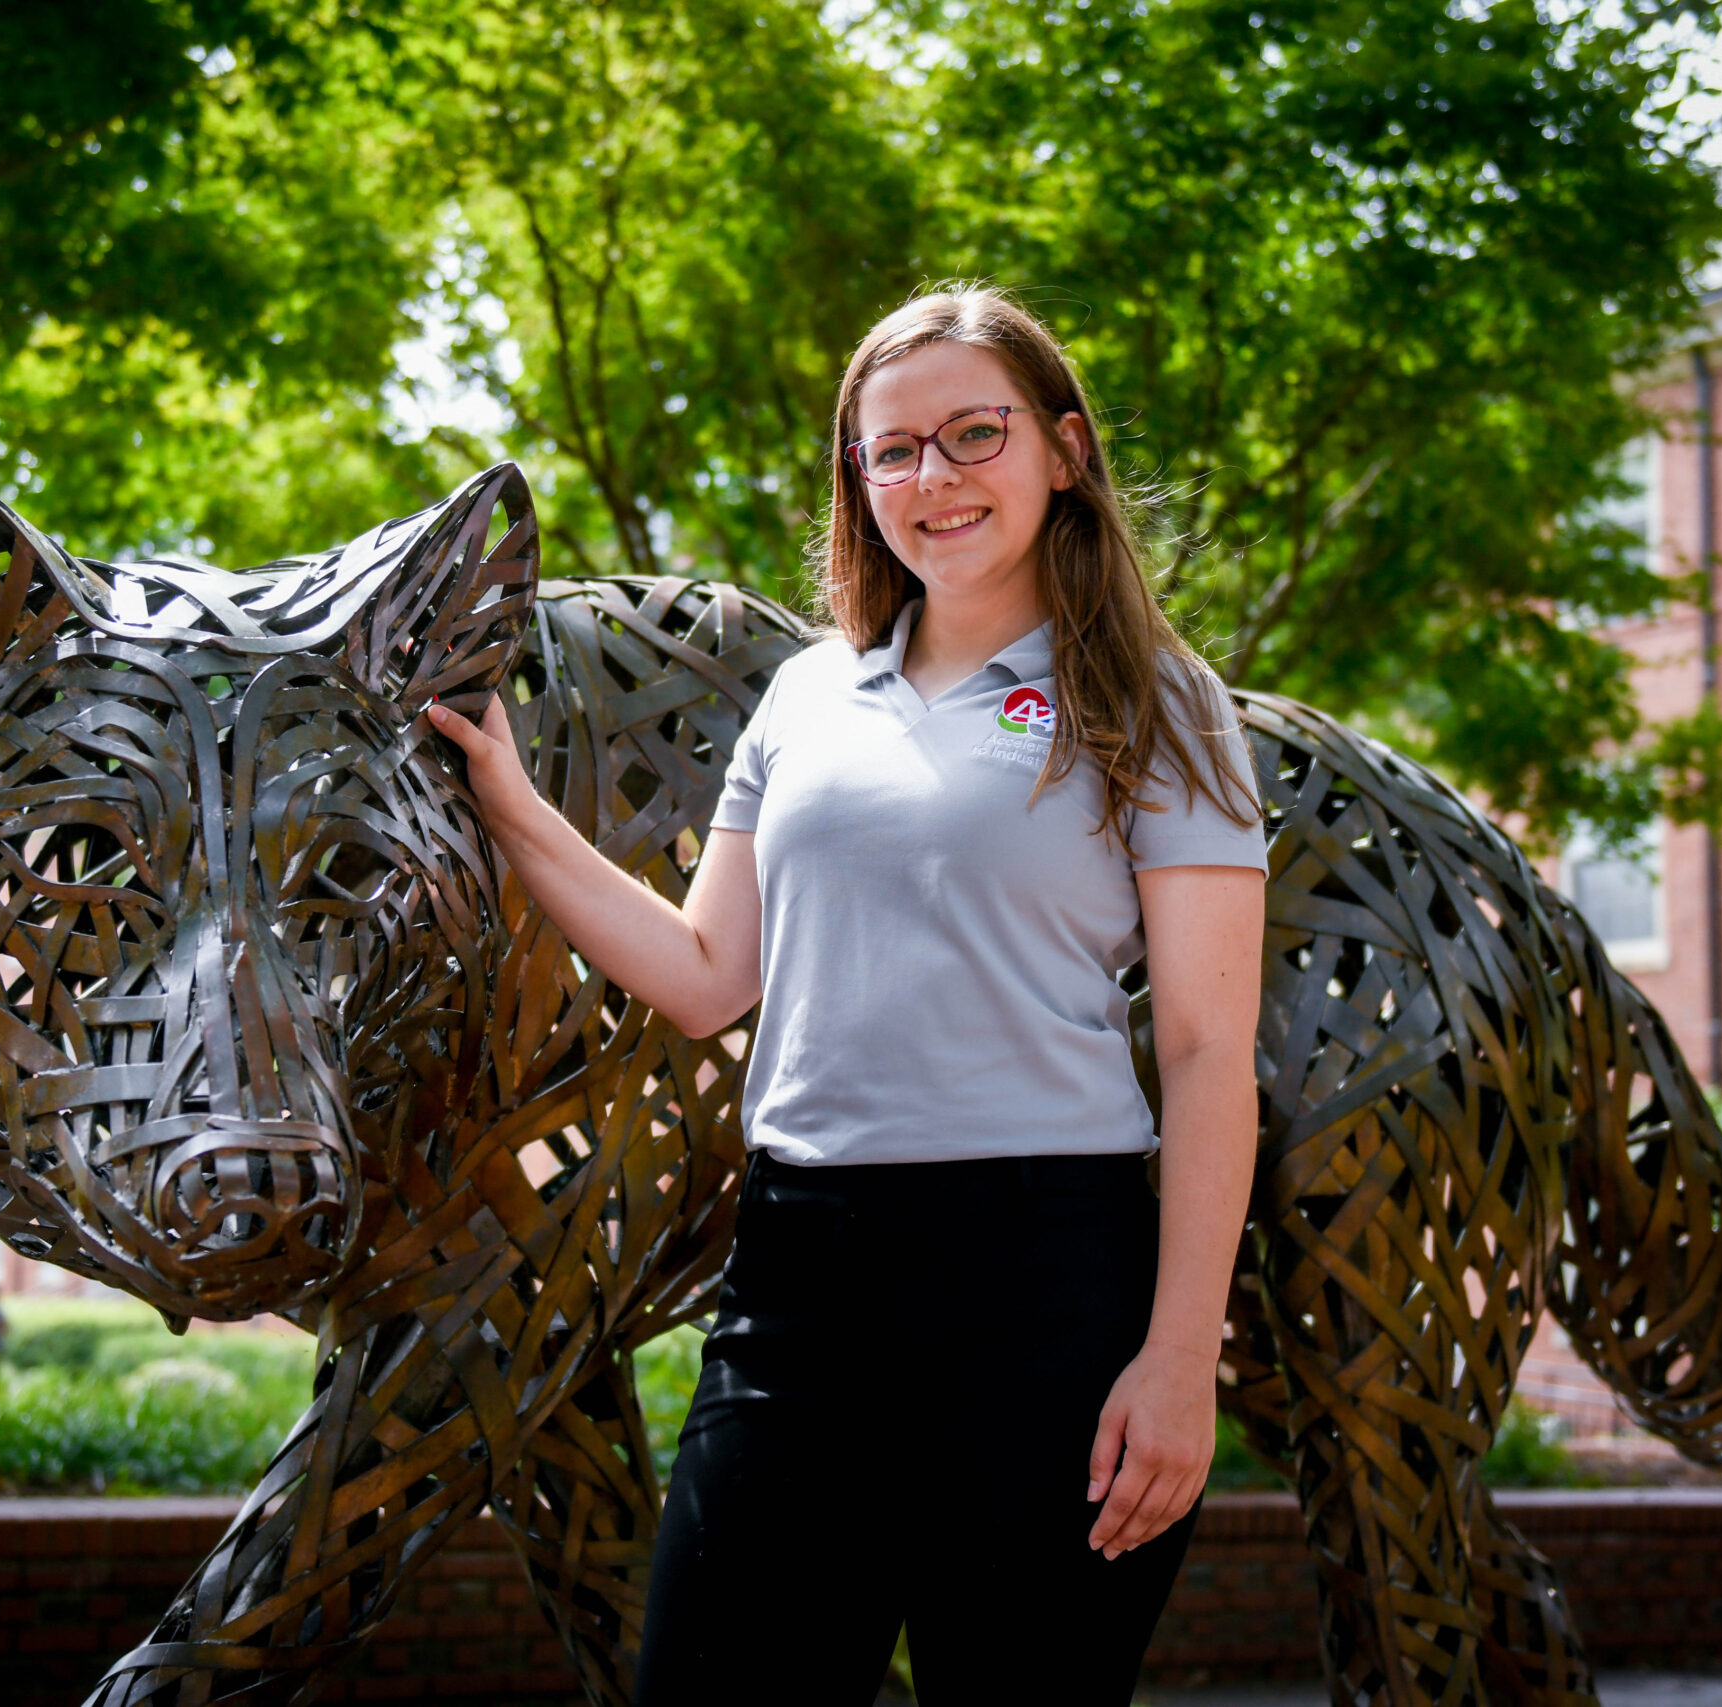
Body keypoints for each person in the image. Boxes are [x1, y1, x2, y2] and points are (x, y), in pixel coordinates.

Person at [425, 285, 1266, 1707]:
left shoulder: (1158, 701)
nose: (932, 478)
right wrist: (513, 809)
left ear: (1063, 448)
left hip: (1050, 1284)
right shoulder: (808, 696)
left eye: (973, 434)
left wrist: (1182, 1359)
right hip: (803, 1276)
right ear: (856, 480)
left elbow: (1201, 1049)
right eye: (892, 451)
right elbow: (707, 976)